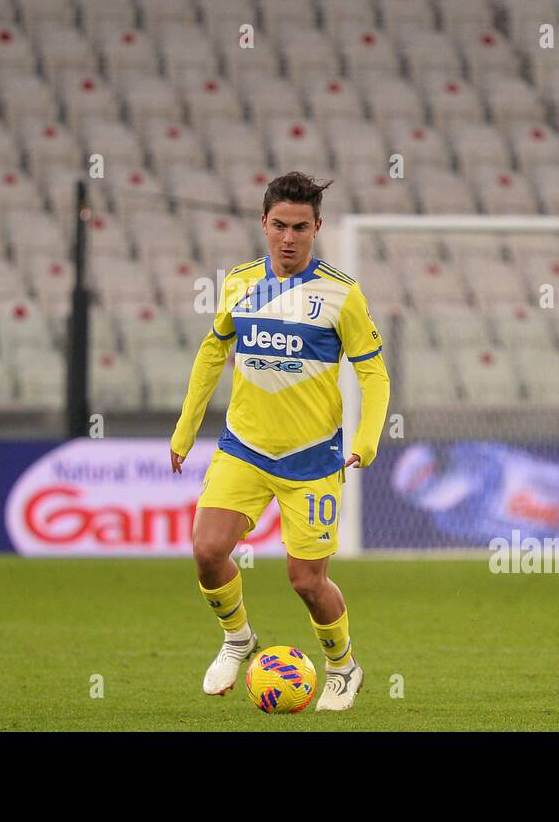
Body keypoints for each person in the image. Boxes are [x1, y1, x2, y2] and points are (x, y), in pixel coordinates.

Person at [170, 172, 390, 711]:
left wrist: (367, 439)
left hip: (311, 458)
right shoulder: (241, 283)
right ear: (262, 225)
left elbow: (374, 374)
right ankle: (238, 637)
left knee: (307, 581)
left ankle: (342, 666)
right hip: (243, 447)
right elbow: (212, 352)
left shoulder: (342, 295)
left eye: (300, 227)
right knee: (207, 551)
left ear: (317, 228)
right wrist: (186, 428)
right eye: (278, 226)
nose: (288, 238)